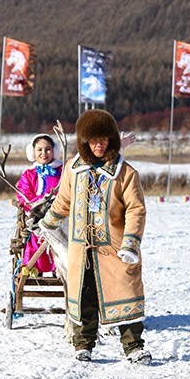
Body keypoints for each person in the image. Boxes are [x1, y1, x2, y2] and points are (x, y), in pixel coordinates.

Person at [39, 110, 150, 364]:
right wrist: (49, 222)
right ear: (84, 142)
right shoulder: (73, 170)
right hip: (82, 249)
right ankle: (83, 344)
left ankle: (133, 345)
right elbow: (64, 200)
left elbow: (136, 209)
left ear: (112, 139)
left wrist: (131, 243)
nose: (99, 145)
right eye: (93, 140)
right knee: (83, 295)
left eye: (104, 139)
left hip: (115, 248)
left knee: (123, 293)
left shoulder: (126, 173)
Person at [16, 134, 63, 275]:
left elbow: (66, 190)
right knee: (38, 234)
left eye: (48, 149)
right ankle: (36, 265)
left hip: (59, 212)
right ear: (33, 152)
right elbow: (24, 194)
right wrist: (41, 202)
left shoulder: (62, 171)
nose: (44, 153)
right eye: (40, 150)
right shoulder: (29, 174)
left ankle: (60, 265)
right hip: (36, 213)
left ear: (54, 151)